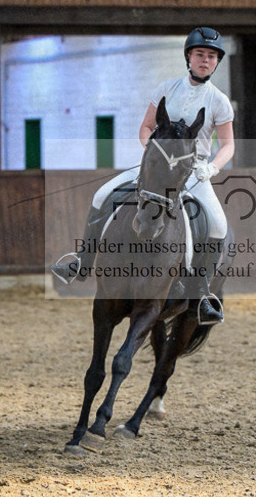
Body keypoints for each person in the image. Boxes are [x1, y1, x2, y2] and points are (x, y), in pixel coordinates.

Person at [52, 26, 235, 324]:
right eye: (200, 54)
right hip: (156, 167)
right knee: (102, 195)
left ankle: (201, 294)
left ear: (217, 62)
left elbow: (228, 146)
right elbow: (146, 128)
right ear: (188, 56)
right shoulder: (165, 88)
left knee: (218, 223)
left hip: (193, 173)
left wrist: (211, 167)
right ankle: (81, 264)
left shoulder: (219, 101)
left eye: (212, 56)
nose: (205, 60)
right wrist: (154, 155)